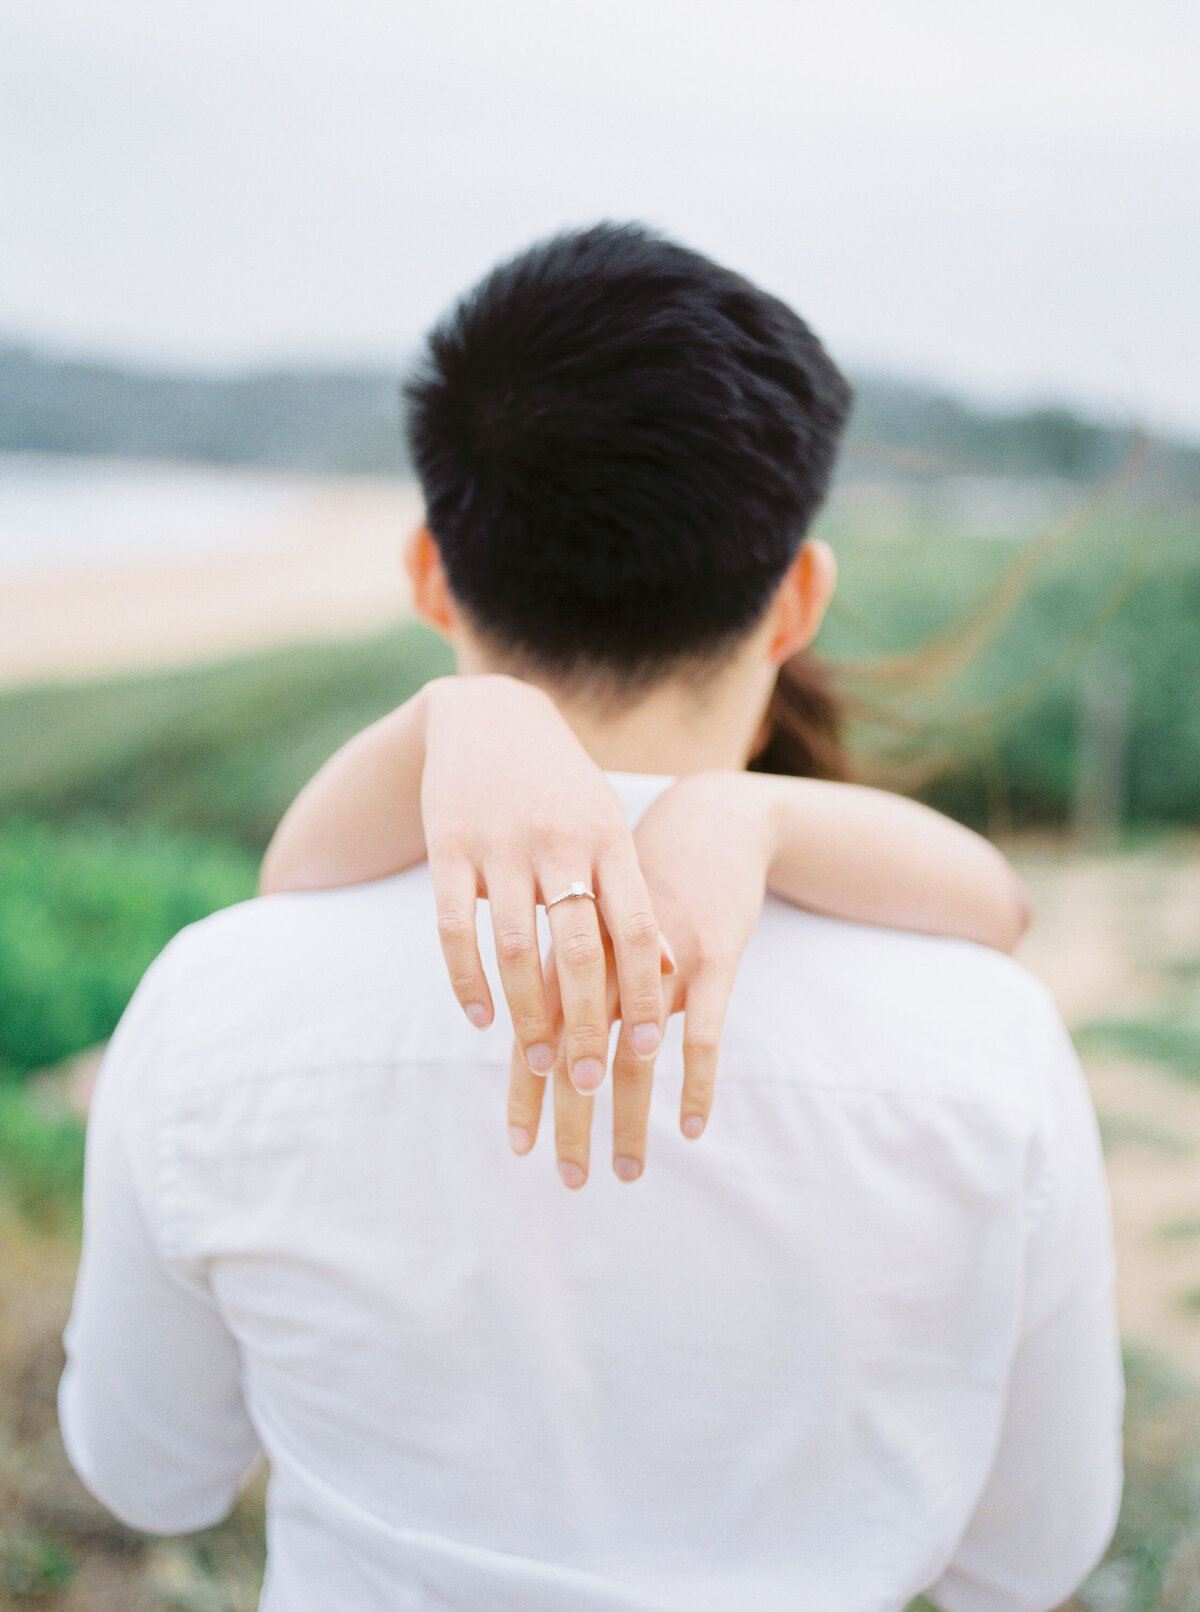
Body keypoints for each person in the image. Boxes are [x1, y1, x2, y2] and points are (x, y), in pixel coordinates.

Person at [60, 223, 1122, 1611]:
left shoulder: (218, 999)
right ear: (798, 598)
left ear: (434, 570)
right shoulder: (991, 1034)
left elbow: (152, 1482)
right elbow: (1032, 1558)